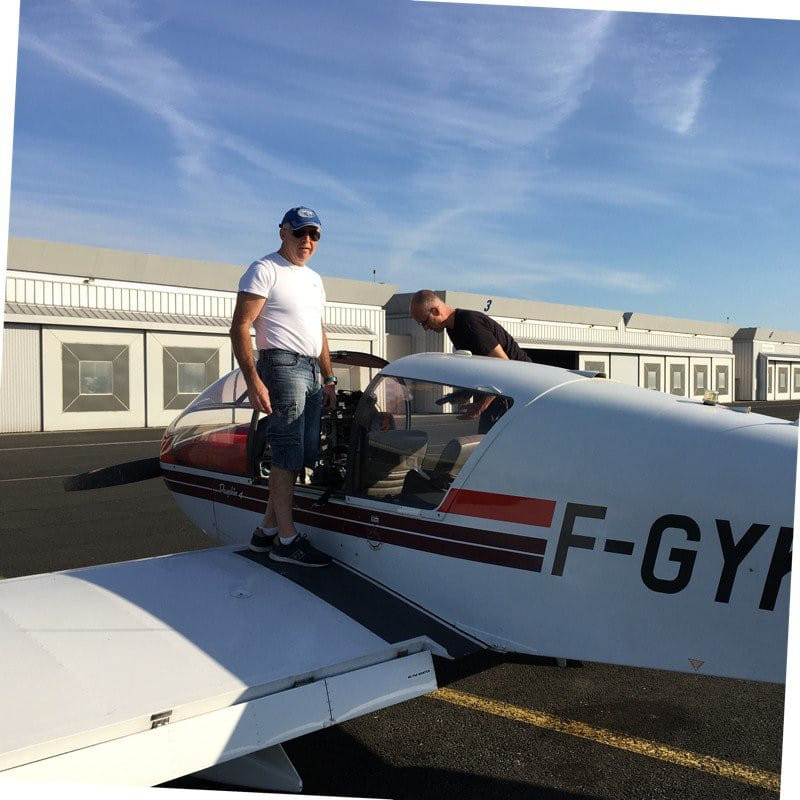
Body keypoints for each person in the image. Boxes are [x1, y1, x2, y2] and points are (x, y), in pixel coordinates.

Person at [230, 207, 337, 567]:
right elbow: (240, 327)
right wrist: (253, 379)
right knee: (287, 452)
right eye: (300, 233)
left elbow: (318, 331)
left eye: (314, 235)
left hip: (309, 369)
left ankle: (265, 533)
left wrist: (329, 377)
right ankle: (287, 541)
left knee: (302, 455)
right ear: (282, 233)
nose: (307, 241)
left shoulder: (314, 280)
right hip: (281, 365)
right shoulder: (265, 270)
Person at [409, 290, 532, 432]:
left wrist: (483, 404)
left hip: (519, 390)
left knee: (490, 446)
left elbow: (504, 365)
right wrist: (465, 393)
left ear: (435, 310)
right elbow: (481, 367)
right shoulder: (453, 328)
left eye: (424, 322)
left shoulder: (469, 323)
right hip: (505, 392)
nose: (425, 328)